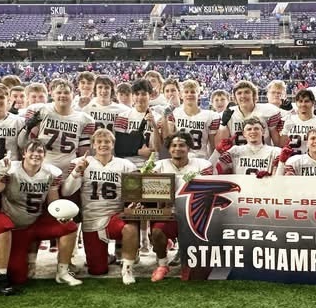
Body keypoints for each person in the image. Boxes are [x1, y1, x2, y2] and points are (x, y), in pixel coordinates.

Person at [0, 140, 81, 289]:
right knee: (17, 277)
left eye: (40, 151)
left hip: (36, 223)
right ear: (24, 153)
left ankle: (63, 272)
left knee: (70, 226)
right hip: (14, 228)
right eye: (32, 151)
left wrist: (61, 215)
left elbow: (53, 202)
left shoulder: (51, 173)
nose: (36, 154)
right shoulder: (11, 170)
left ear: (44, 155)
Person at [61, 129, 140, 285]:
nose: (103, 145)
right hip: (91, 219)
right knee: (97, 270)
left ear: (113, 144)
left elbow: (134, 194)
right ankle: (108, 257)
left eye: (107, 142)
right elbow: (66, 191)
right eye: (99, 142)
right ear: (93, 145)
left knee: (130, 227)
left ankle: (128, 268)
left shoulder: (125, 165)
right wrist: (77, 171)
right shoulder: (82, 163)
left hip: (114, 217)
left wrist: (133, 202)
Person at [149, 132, 213, 282]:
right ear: (169, 149)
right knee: (157, 232)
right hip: (169, 213)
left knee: (193, 275)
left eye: (182, 145)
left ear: (189, 147)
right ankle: (163, 264)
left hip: (193, 214)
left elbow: (207, 191)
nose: (178, 148)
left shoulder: (202, 165)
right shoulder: (159, 166)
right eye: (174, 145)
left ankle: (190, 261)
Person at [23, 78, 95, 175]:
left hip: (69, 168)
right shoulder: (40, 110)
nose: (63, 95)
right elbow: (24, 143)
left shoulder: (85, 119)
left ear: (73, 95)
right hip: (41, 166)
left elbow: (83, 152)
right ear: (52, 94)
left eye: (66, 92)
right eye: (59, 92)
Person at [165, 79, 221, 160]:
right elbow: (169, 140)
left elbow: (212, 144)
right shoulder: (174, 114)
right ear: (181, 95)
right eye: (186, 92)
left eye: (193, 92)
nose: (189, 94)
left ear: (198, 94)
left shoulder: (209, 115)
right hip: (180, 159)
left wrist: (212, 162)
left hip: (201, 159)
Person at [215, 80, 281, 147]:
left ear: (254, 95)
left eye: (247, 92)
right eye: (239, 93)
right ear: (235, 97)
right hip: (237, 155)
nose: (243, 96)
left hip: (263, 156)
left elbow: (278, 143)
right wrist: (223, 124)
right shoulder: (228, 114)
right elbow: (219, 145)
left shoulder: (268, 111)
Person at [216, 117, 281, 176]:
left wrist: (271, 177)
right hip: (241, 188)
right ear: (244, 134)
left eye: (256, 129)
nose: (253, 131)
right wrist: (217, 152)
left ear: (263, 132)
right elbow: (215, 170)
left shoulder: (275, 152)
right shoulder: (235, 151)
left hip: (265, 187)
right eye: (249, 129)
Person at [278, 89, 316, 154]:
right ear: (296, 103)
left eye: (306, 101)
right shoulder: (287, 120)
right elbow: (281, 145)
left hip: (314, 161)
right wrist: (285, 131)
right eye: (300, 101)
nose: (303, 104)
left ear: (313, 103)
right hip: (291, 160)